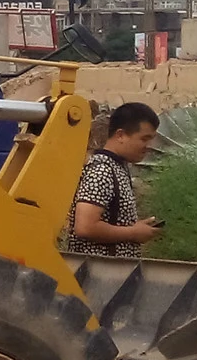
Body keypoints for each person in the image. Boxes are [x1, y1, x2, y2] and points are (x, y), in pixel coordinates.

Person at [65, 101, 161, 257]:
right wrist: (133, 232)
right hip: (97, 274)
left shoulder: (117, 167)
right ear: (120, 135)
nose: (149, 145)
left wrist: (135, 228)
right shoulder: (101, 170)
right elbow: (85, 227)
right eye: (144, 139)